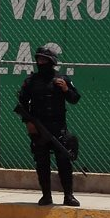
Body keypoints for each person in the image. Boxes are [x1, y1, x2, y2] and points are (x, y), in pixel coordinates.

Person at [17, 45, 81, 207]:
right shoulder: (31, 81)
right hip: (39, 128)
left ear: (51, 61)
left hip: (58, 128)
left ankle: (68, 196)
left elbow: (75, 98)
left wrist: (66, 89)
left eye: (44, 59)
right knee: (42, 162)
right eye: (38, 59)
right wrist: (29, 123)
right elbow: (22, 104)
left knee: (64, 162)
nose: (40, 62)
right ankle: (46, 196)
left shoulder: (62, 79)